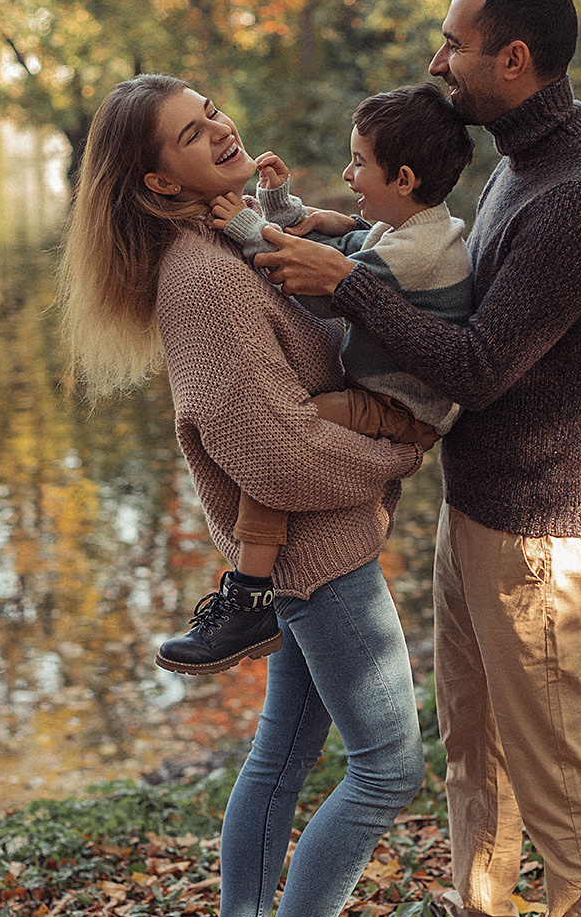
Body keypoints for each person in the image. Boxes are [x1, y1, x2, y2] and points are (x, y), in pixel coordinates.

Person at [252, 0, 581, 917]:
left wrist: (347, 286)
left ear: (512, 60)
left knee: (557, 763)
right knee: (476, 740)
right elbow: (460, 278)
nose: (437, 61)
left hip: (536, 526)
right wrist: (353, 234)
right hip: (479, 504)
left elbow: (478, 362)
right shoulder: (526, 167)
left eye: (453, 44)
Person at [57, 74, 427, 917]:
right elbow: (272, 451)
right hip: (318, 554)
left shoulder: (225, 242)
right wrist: (399, 451)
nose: (219, 128)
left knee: (285, 749)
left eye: (213, 108)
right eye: (191, 132)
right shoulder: (202, 279)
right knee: (387, 768)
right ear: (156, 179)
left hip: (311, 547)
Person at [156, 81, 475, 675]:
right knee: (291, 729)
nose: (348, 175)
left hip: (397, 411)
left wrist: (247, 230)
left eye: (358, 163)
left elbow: (326, 288)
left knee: (265, 448)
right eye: (194, 130)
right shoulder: (421, 229)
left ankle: (249, 593)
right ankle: (250, 594)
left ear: (403, 180)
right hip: (385, 405)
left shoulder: (415, 253)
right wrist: (279, 208)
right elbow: (336, 243)